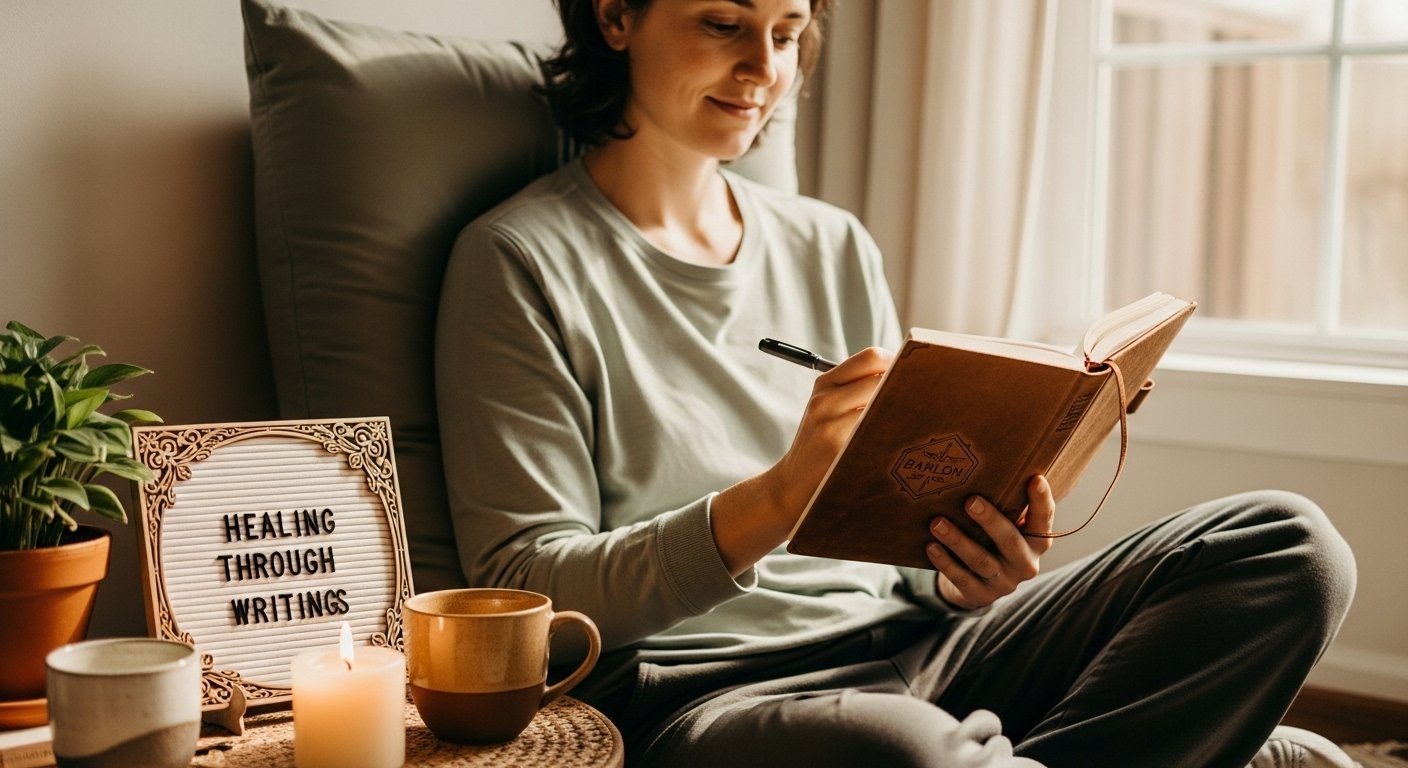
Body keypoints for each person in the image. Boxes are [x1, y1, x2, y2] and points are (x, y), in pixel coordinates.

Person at [433, 1, 1357, 765]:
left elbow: (895, 544)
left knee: (1289, 547)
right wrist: (779, 498)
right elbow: (530, 590)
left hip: (924, 645)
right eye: (723, 23)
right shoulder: (517, 261)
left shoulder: (829, 243)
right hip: (703, 690)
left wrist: (963, 576)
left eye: (788, 33)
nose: (764, 68)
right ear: (616, 17)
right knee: (903, 752)